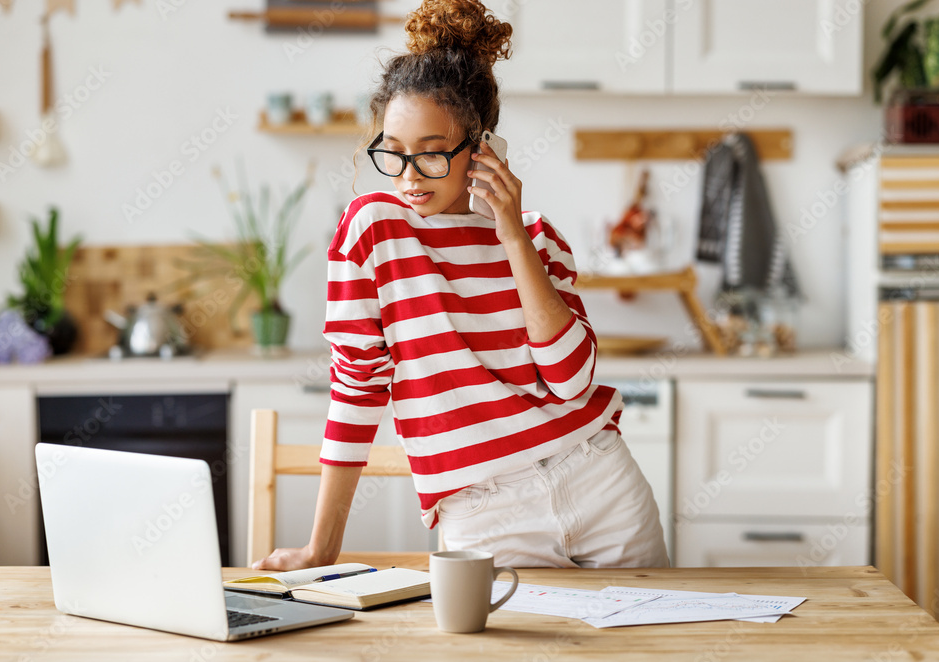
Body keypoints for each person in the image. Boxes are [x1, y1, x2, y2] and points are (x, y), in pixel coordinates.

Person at [253, 0, 668, 571]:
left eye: (430, 155)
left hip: (601, 481)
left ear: (481, 149)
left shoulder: (539, 241)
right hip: (483, 513)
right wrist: (321, 548)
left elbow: (572, 381)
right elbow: (357, 387)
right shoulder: (374, 231)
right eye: (394, 155)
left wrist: (512, 238)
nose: (408, 177)